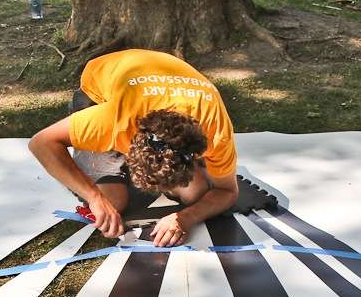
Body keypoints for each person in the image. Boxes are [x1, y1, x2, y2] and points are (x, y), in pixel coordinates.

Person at [29, 49, 240, 247]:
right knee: (113, 203)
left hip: (154, 84)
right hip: (99, 88)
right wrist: (95, 198)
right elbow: (41, 143)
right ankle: (101, 162)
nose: (157, 190)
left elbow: (227, 191)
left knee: (196, 195)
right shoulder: (113, 121)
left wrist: (186, 217)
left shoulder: (215, 131)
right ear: (130, 147)